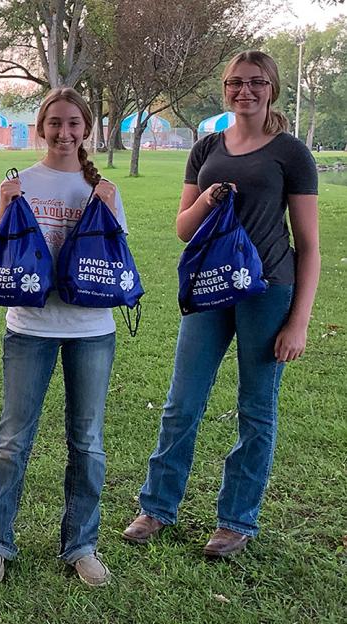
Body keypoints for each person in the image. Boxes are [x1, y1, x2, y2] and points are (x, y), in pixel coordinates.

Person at [122, 51, 320, 557]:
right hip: (210, 288)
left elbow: (309, 245)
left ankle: (235, 520)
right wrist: (207, 198)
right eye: (235, 83)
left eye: (256, 82)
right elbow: (183, 228)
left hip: (267, 289)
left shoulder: (291, 154)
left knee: (256, 408)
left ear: (272, 88)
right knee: (181, 402)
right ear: (224, 88)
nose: (244, 91)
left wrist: (298, 322)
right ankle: (156, 507)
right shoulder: (206, 147)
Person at [0, 87, 127, 587]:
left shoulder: (103, 189)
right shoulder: (18, 183)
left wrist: (104, 206)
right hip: (30, 328)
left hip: (91, 330)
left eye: (74, 124)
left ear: (87, 129)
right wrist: (7, 203)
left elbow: (113, 258)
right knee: (12, 441)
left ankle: (80, 545)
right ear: (41, 127)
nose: (64, 132)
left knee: (87, 443)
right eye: (55, 123)